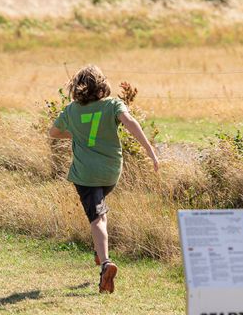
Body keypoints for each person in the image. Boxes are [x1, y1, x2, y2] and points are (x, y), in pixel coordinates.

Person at [47, 65, 159, 294]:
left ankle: (106, 262)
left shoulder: (71, 111)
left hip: (86, 174)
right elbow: (130, 123)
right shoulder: (112, 105)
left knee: (96, 217)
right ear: (101, 86)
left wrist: (76, 133)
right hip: (110, 173)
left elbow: (53, 133)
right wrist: (150, 151)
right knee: (101, 209)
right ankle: (100, 251)